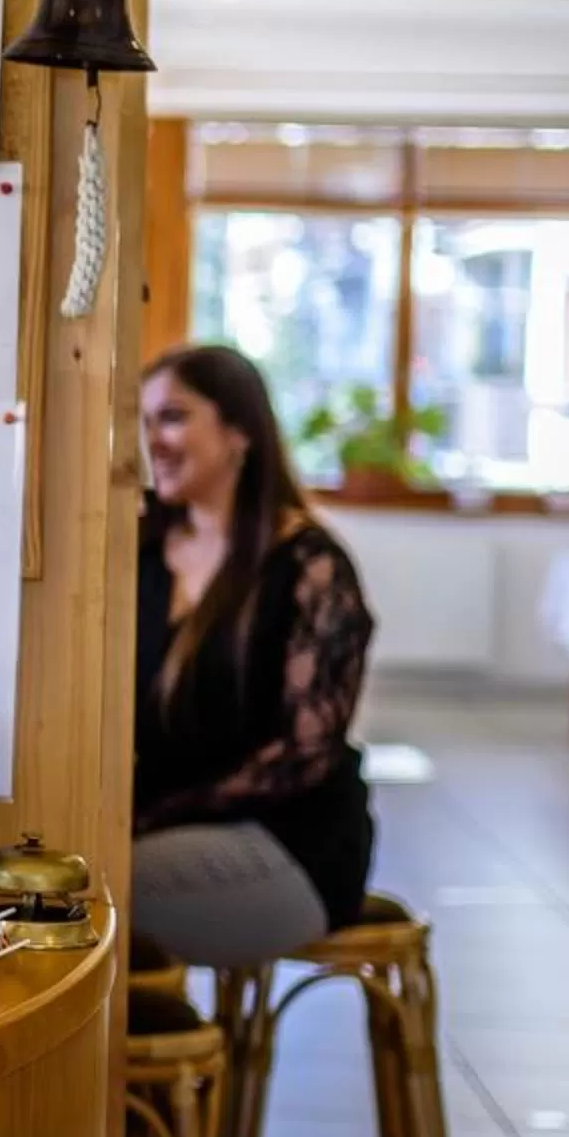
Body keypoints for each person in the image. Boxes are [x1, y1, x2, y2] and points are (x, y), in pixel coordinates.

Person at [133, 342, 378, 970]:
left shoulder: (310, 566)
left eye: (173, 416)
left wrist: (153, 814)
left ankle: (151, 1069)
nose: (152, 439)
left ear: (239, 430)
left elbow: (303, 754)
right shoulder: (141, 554)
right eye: (144, 421)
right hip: (163, 830)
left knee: (94, 895)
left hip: (290, 845)